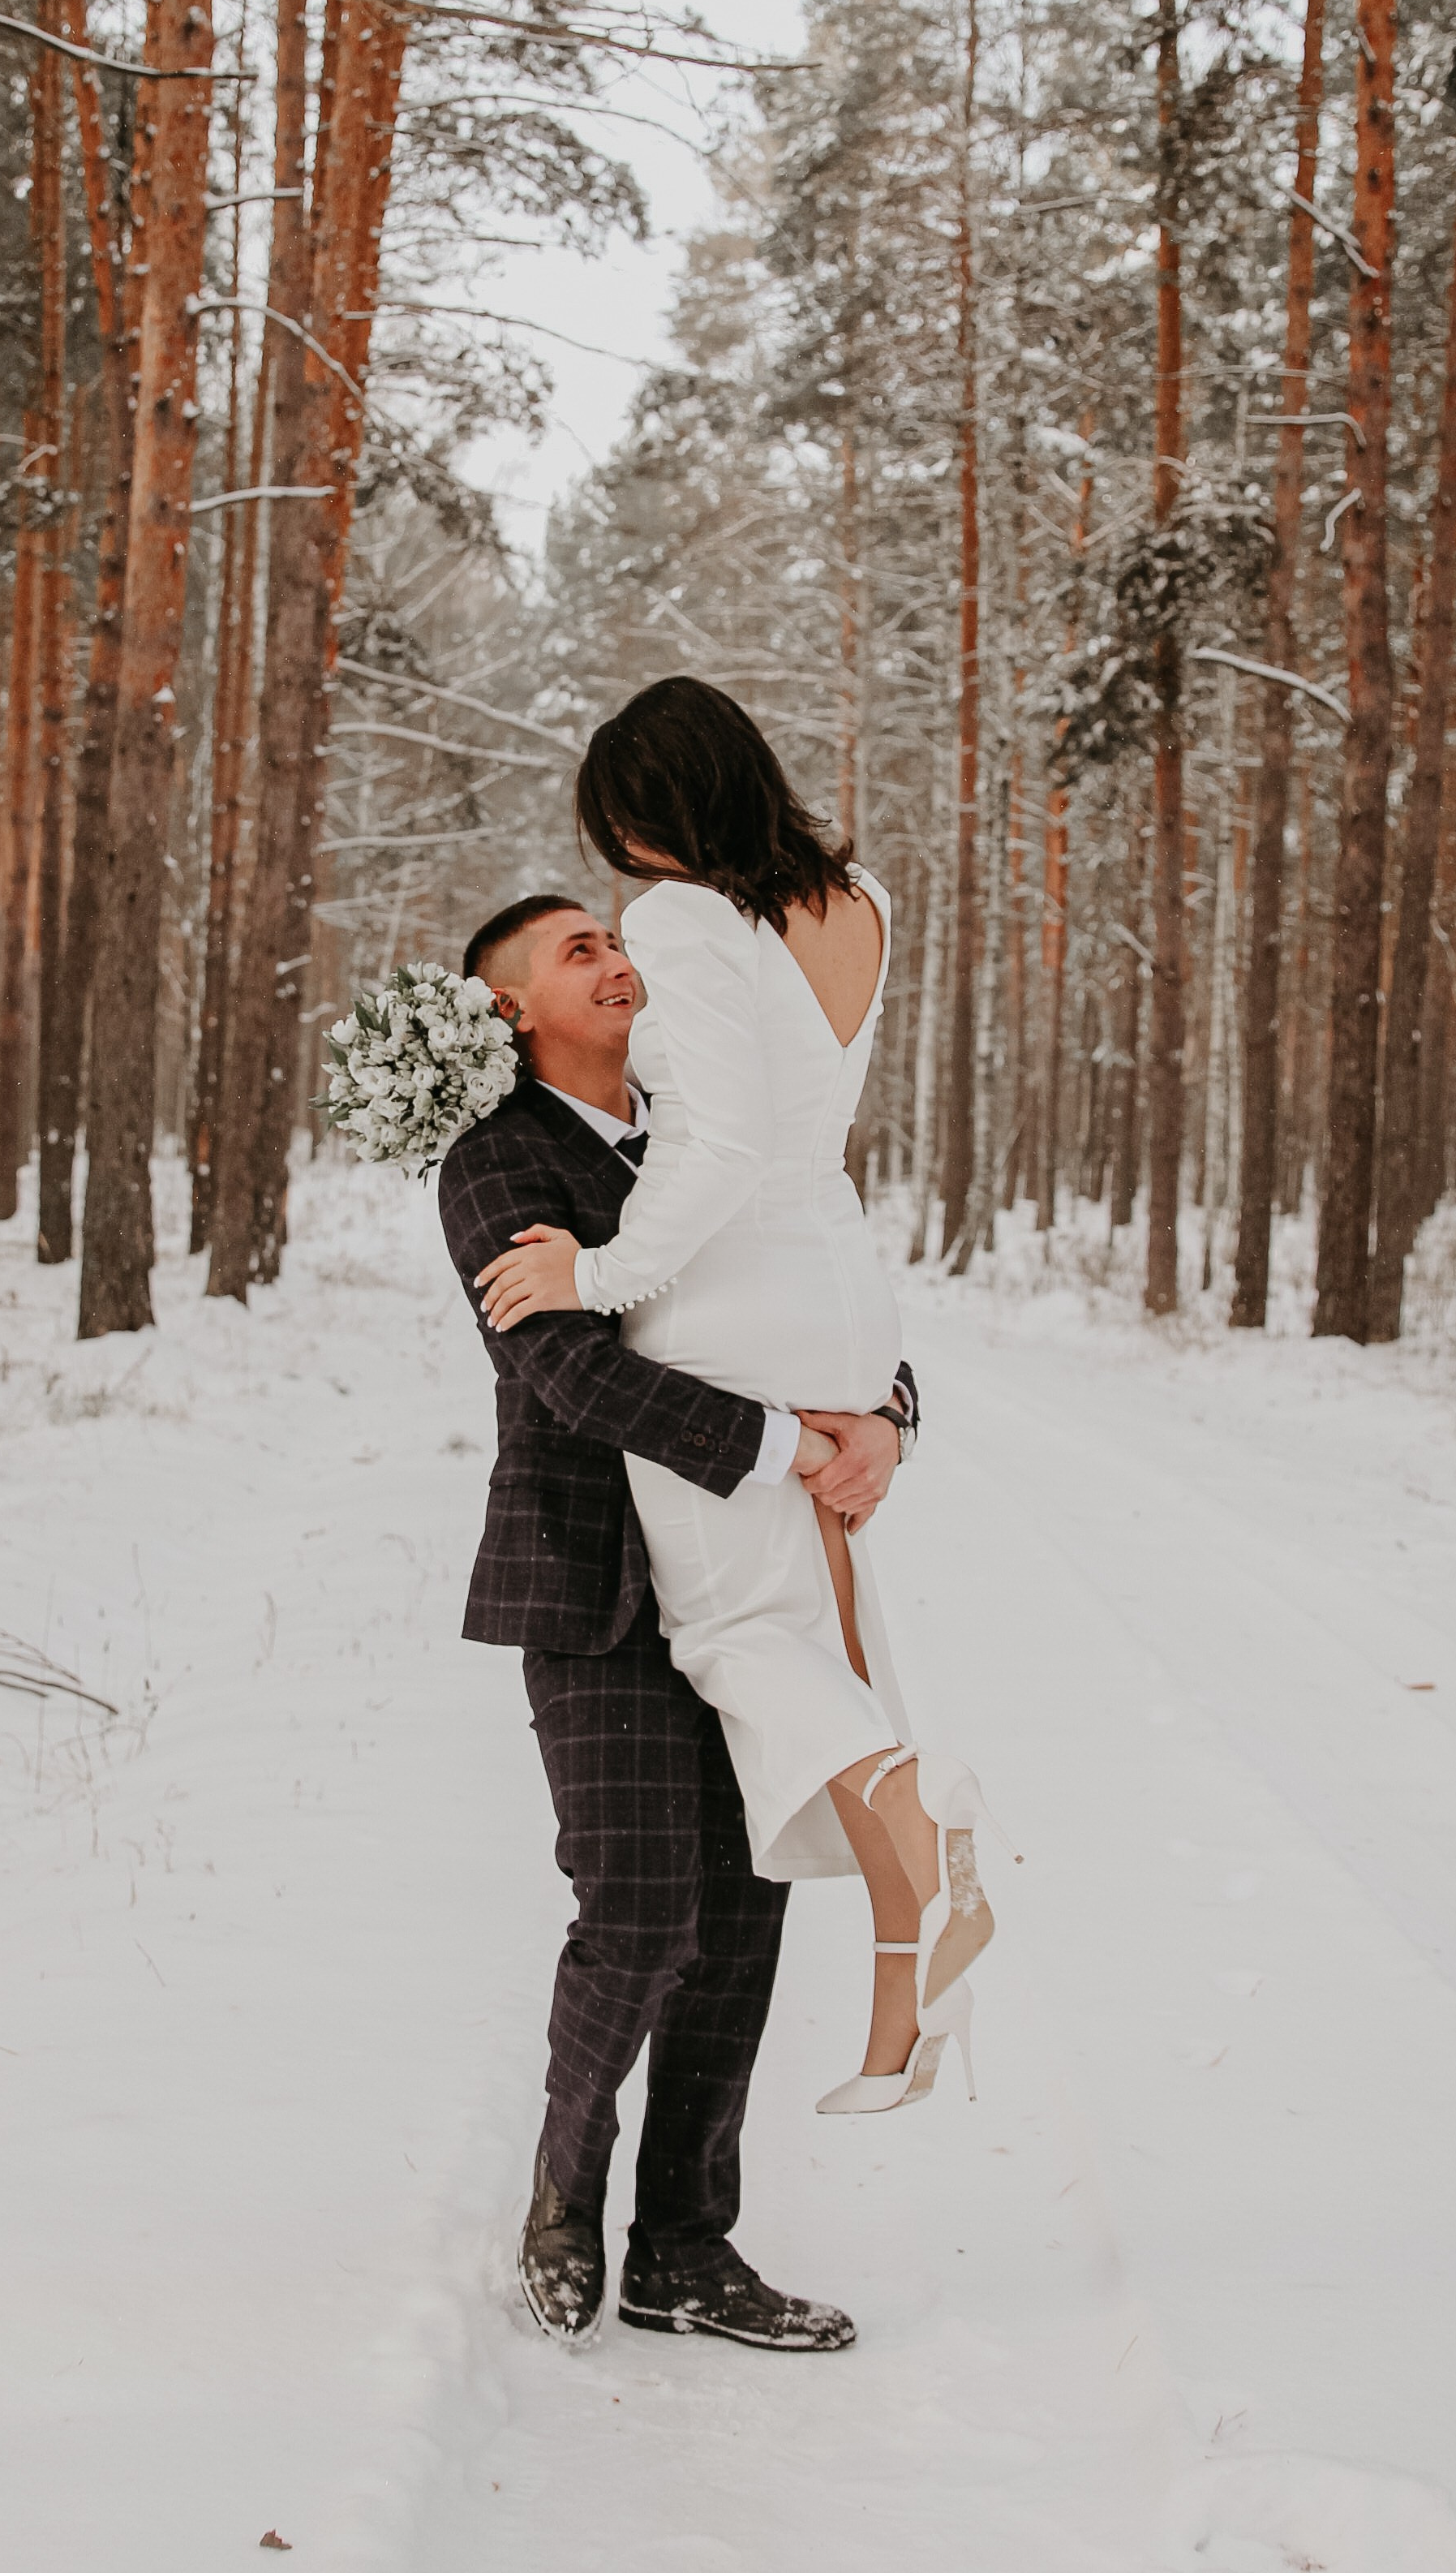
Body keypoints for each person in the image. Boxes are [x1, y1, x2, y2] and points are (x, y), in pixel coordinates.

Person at [476, 677, 1010, 2131]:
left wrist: (601, 1271)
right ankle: (907, 2001)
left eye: (623, 830)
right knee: (834, 1634)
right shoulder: (863, 902)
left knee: (735, 1630)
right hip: (845, 1284)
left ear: (656, 803)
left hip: (732, 1292)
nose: (623, 865)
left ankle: (921, 1807)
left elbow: (712, 1151)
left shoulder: (684, 921)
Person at [439, 889, 920, 2350]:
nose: (617, 959)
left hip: (759, 1585)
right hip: (600, 1592)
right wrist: (791, 1443)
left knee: (744, 1922)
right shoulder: (497, 1160)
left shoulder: (714, 1124)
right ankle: (562, 2202)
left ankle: (685, 2250)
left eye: (617, 936)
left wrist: (887, 1417)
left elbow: (819, 1286)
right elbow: (571, 1379)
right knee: (641, 1917)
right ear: (512, 1007)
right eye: (578, 950)